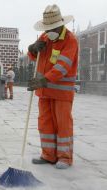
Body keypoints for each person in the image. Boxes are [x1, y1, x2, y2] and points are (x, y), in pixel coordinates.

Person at [27, 4, 78, 169]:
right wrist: (32, 49)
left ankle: (64, 157)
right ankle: (48, 155)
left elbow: (63, 67)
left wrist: (44, 79)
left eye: (52, 28)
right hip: (44, 91)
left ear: (60, 25)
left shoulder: (70, 40)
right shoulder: (45, 37)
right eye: (46, 29)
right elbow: (35, 57)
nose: (49, 32)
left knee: (62, 124)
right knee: (45, 123)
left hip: (61, 93)